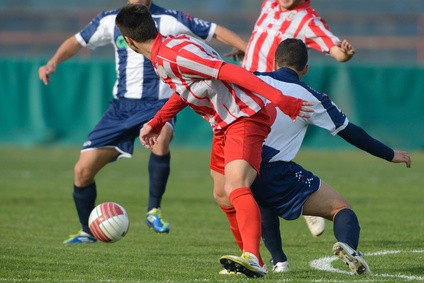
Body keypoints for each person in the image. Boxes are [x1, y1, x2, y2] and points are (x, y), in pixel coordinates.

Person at [115, 4, 313, 278]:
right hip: (223, 124)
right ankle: (249, 259)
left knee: (236, 186)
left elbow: (230, 72)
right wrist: (157, 121)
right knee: (222, 195)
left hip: (245, 117)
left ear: (128, 41)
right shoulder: (164, 53)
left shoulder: (174, 55)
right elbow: (188, 89)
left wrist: (278, 98)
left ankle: (253, 258)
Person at [38, 0, 249, 243]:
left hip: (158, 104)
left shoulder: (170, 19)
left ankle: (153, 210)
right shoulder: (111, 20)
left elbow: (214, 30)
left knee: (161, 140)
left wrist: (246, 49)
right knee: (82, 171)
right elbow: (77, 41)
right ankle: (88, 231)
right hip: (121, 108)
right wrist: (52, 62)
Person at [250, 38, 411, 274]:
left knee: (262, 196)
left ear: (274, 63)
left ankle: (279, 261)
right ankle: (348, 246)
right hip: (278, 171)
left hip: (242, 166)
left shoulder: (251, 79)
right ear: (306, 69)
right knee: (341, 209)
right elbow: (350, 132)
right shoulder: (311, 97)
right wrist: (390, 154)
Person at [242, 0, 356, 243]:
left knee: (256, 168)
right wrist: (247, 53)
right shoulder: (269, 4)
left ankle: (271, 251)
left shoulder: (307, 19)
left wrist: (342, 55)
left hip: (271, 97)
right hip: (248, 92)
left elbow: (334, 48)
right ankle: (277, 255)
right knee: (253, 170)